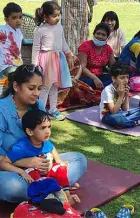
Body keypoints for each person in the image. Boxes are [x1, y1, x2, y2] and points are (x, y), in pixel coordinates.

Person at [0, 65, 86, 203]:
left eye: (39, 89)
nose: (37, 93)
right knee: (11, 187)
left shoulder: (38, 105)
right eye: (31, 88)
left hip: (39, 169)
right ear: (16, 86)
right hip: (10, 171)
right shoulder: (2, 110)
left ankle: (46, 190)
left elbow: (43, 140)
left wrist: (49, 159)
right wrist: (27, 162)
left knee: (80, 160)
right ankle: (56, 189)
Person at [0, 109, 80, 205]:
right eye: (43, 128)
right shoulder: (21, 147)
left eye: (49, 127)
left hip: (47, 173)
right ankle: (53, 200)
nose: (48, 132)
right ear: (30, 132)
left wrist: (58, 160)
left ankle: (66, 195)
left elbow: (51, 148)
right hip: (33, 177)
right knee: (31, 177)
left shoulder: (44, 142)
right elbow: (3, 163)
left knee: (68, 164)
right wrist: (22, 172)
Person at [32, 1, 75, 121]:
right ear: (45, 16)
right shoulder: (40, 30)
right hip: (46, 60)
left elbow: (63, 41)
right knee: (46, 87)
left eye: (59, 15)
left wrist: (69, 53)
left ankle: (53, 109)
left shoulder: (59, 27)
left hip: (58, 59)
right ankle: (40, 111)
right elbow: (35, 48)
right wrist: (35, 65)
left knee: (55, 86)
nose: (58, 18)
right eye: (55, 16)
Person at [100, 63, 140, 128]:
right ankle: (136, 122)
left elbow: (126, 109)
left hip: (121, 113)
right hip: (108, 115)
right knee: (118, 118)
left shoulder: (124, 87)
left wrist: (126, 95)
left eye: (127, 77)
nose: (125, 80)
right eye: (122, 78)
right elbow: (113, 112)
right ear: (114, 78)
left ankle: (125, 122)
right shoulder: (108, 90)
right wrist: (121, 96)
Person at [78, 23, 115, 90]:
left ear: (107, 37)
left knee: (114, 80)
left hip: (100, 75)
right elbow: (82, 67)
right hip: (85, 76)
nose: (100, 36)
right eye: (98, 33)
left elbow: (113, 66)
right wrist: (95, 78)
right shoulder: (85, 46)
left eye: (103, 35)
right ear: (94, 34)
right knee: (91, 83)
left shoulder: (108, 49)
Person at [0, 3, 23, 85]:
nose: (18, 20)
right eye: (14, 18)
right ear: (6, 19)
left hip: (17, 64)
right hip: (5, 66)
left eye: (20, 17)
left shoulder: (19, 32)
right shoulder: (2, 30)